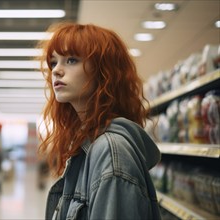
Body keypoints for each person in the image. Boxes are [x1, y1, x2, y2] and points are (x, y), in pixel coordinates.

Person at [37, 22, 162, 220]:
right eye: (53, 62)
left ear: (104, 71)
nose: (56, 71)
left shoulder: (111, 152)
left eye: (71, 60)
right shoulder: (89, 143)